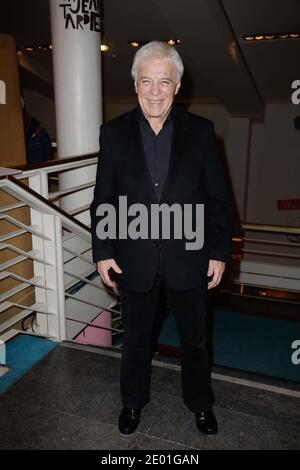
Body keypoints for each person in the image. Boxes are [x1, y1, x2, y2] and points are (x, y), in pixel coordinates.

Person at [90, 41, 232, 436]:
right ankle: (133, 403)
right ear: (136, 85)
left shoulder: (202, 133)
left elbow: (219, 200)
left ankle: (200, 404)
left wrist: (219, 252)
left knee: (197, 342)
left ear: (178, 85)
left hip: (190, 256)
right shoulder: (113, 134)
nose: (155, 91)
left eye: (164, 82)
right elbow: (103, 198)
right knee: (135, 340)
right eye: (146, 81)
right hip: (134, 256)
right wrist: (103, 252)